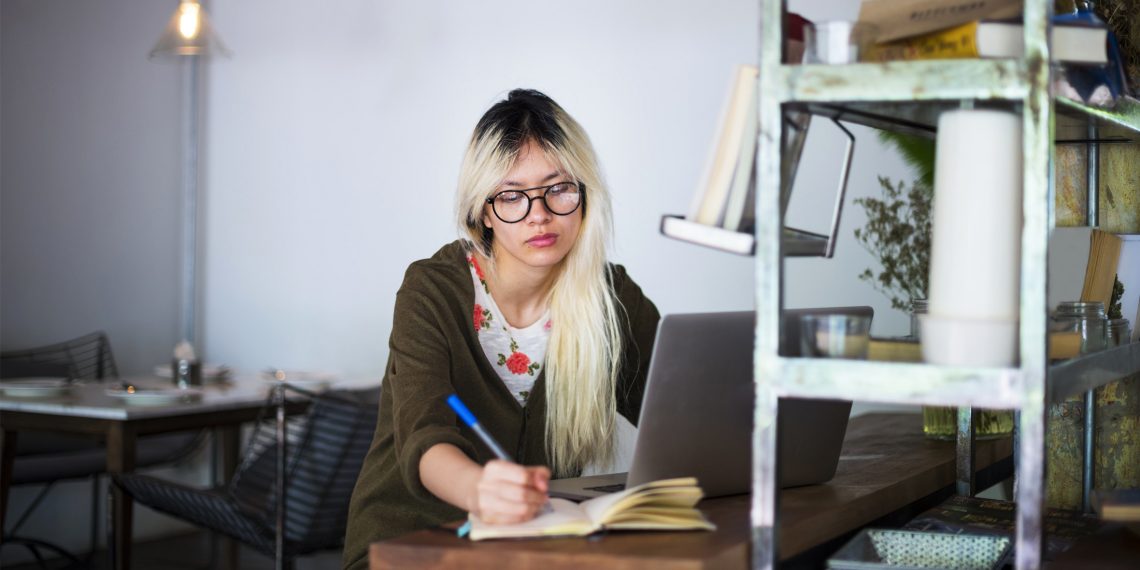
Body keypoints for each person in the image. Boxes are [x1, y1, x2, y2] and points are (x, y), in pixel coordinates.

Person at [341, 89, 660, 569]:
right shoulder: (432, 290)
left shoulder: (611, 295)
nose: (539, 213)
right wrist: (477, 489)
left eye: (559, 188)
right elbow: (424, 438)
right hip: (411, 546)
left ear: (585, 193)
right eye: (512, 195)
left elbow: (679, 410)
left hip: (530, 550)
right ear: (484, 211)